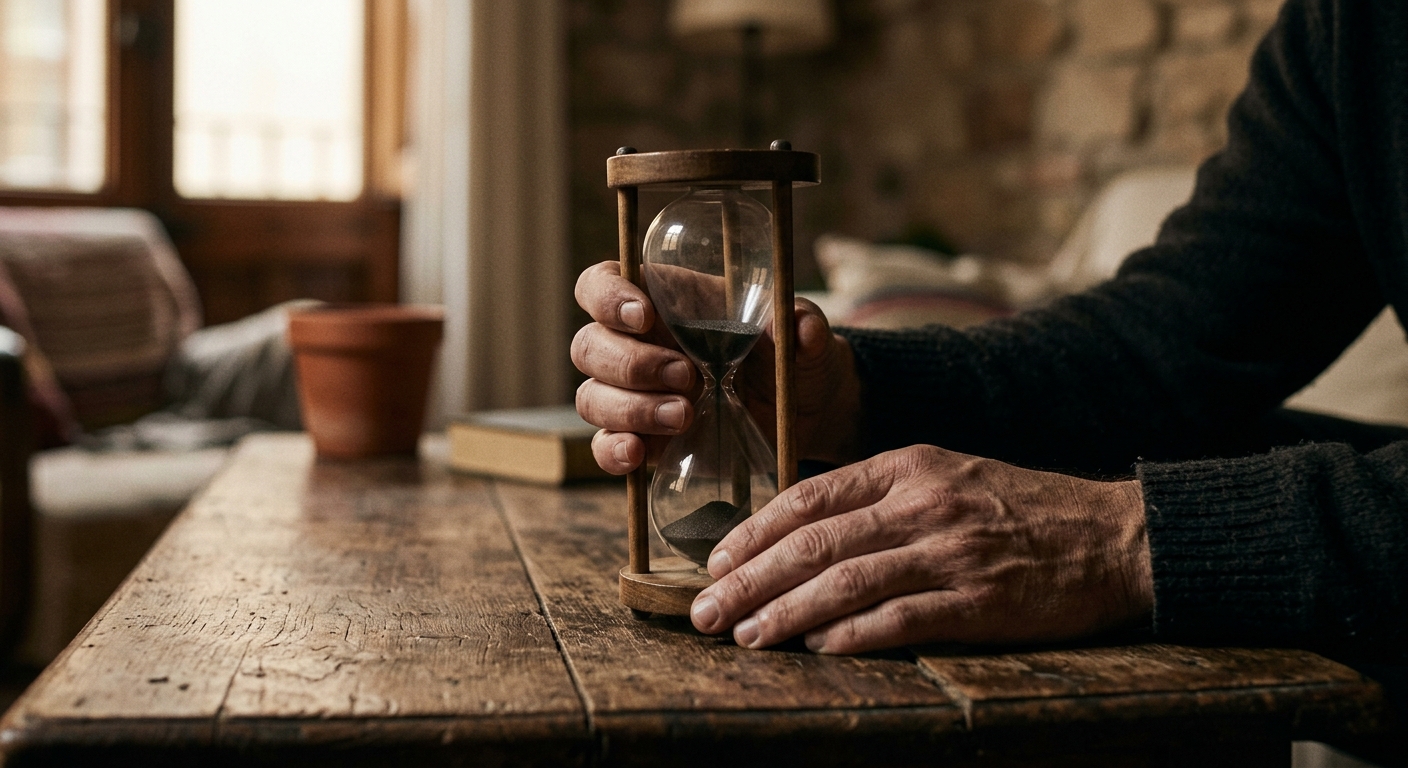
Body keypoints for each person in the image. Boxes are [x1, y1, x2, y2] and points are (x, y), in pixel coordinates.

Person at [571, 0, 1407, 666]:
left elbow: (1138, 502)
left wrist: (1130, 537)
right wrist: (843, 390)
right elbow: (1165, 343)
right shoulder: (1350, 29)